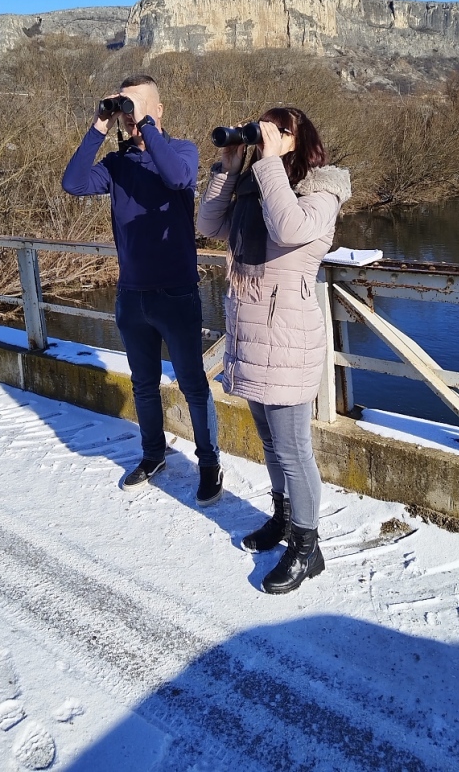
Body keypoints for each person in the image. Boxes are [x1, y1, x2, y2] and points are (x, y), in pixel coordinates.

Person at [197, 107, 351, 593]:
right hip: (250, 329)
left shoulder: (320, 191)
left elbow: (288, 229)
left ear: (297, 138)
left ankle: (308, 548)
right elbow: (208, 223)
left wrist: (265, 165)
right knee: (270, 443)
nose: (263, 136)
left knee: (293, 449)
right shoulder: (253, 181)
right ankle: (283, 519)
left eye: (275, 130)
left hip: (286, 336)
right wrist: (228, 164)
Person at [62, 74, 222, 505]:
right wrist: (98, 125)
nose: (128, 119)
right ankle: (153, 454)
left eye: (137, 108)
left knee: (192, 384)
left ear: (159, 110)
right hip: (132, 294)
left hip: (176, 292)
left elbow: (176, 178)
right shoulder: (116, 165)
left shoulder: (183, 151)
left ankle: (209, 462)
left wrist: (146, 126)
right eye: (123, 110)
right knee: (144, 384)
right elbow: (73, 183)